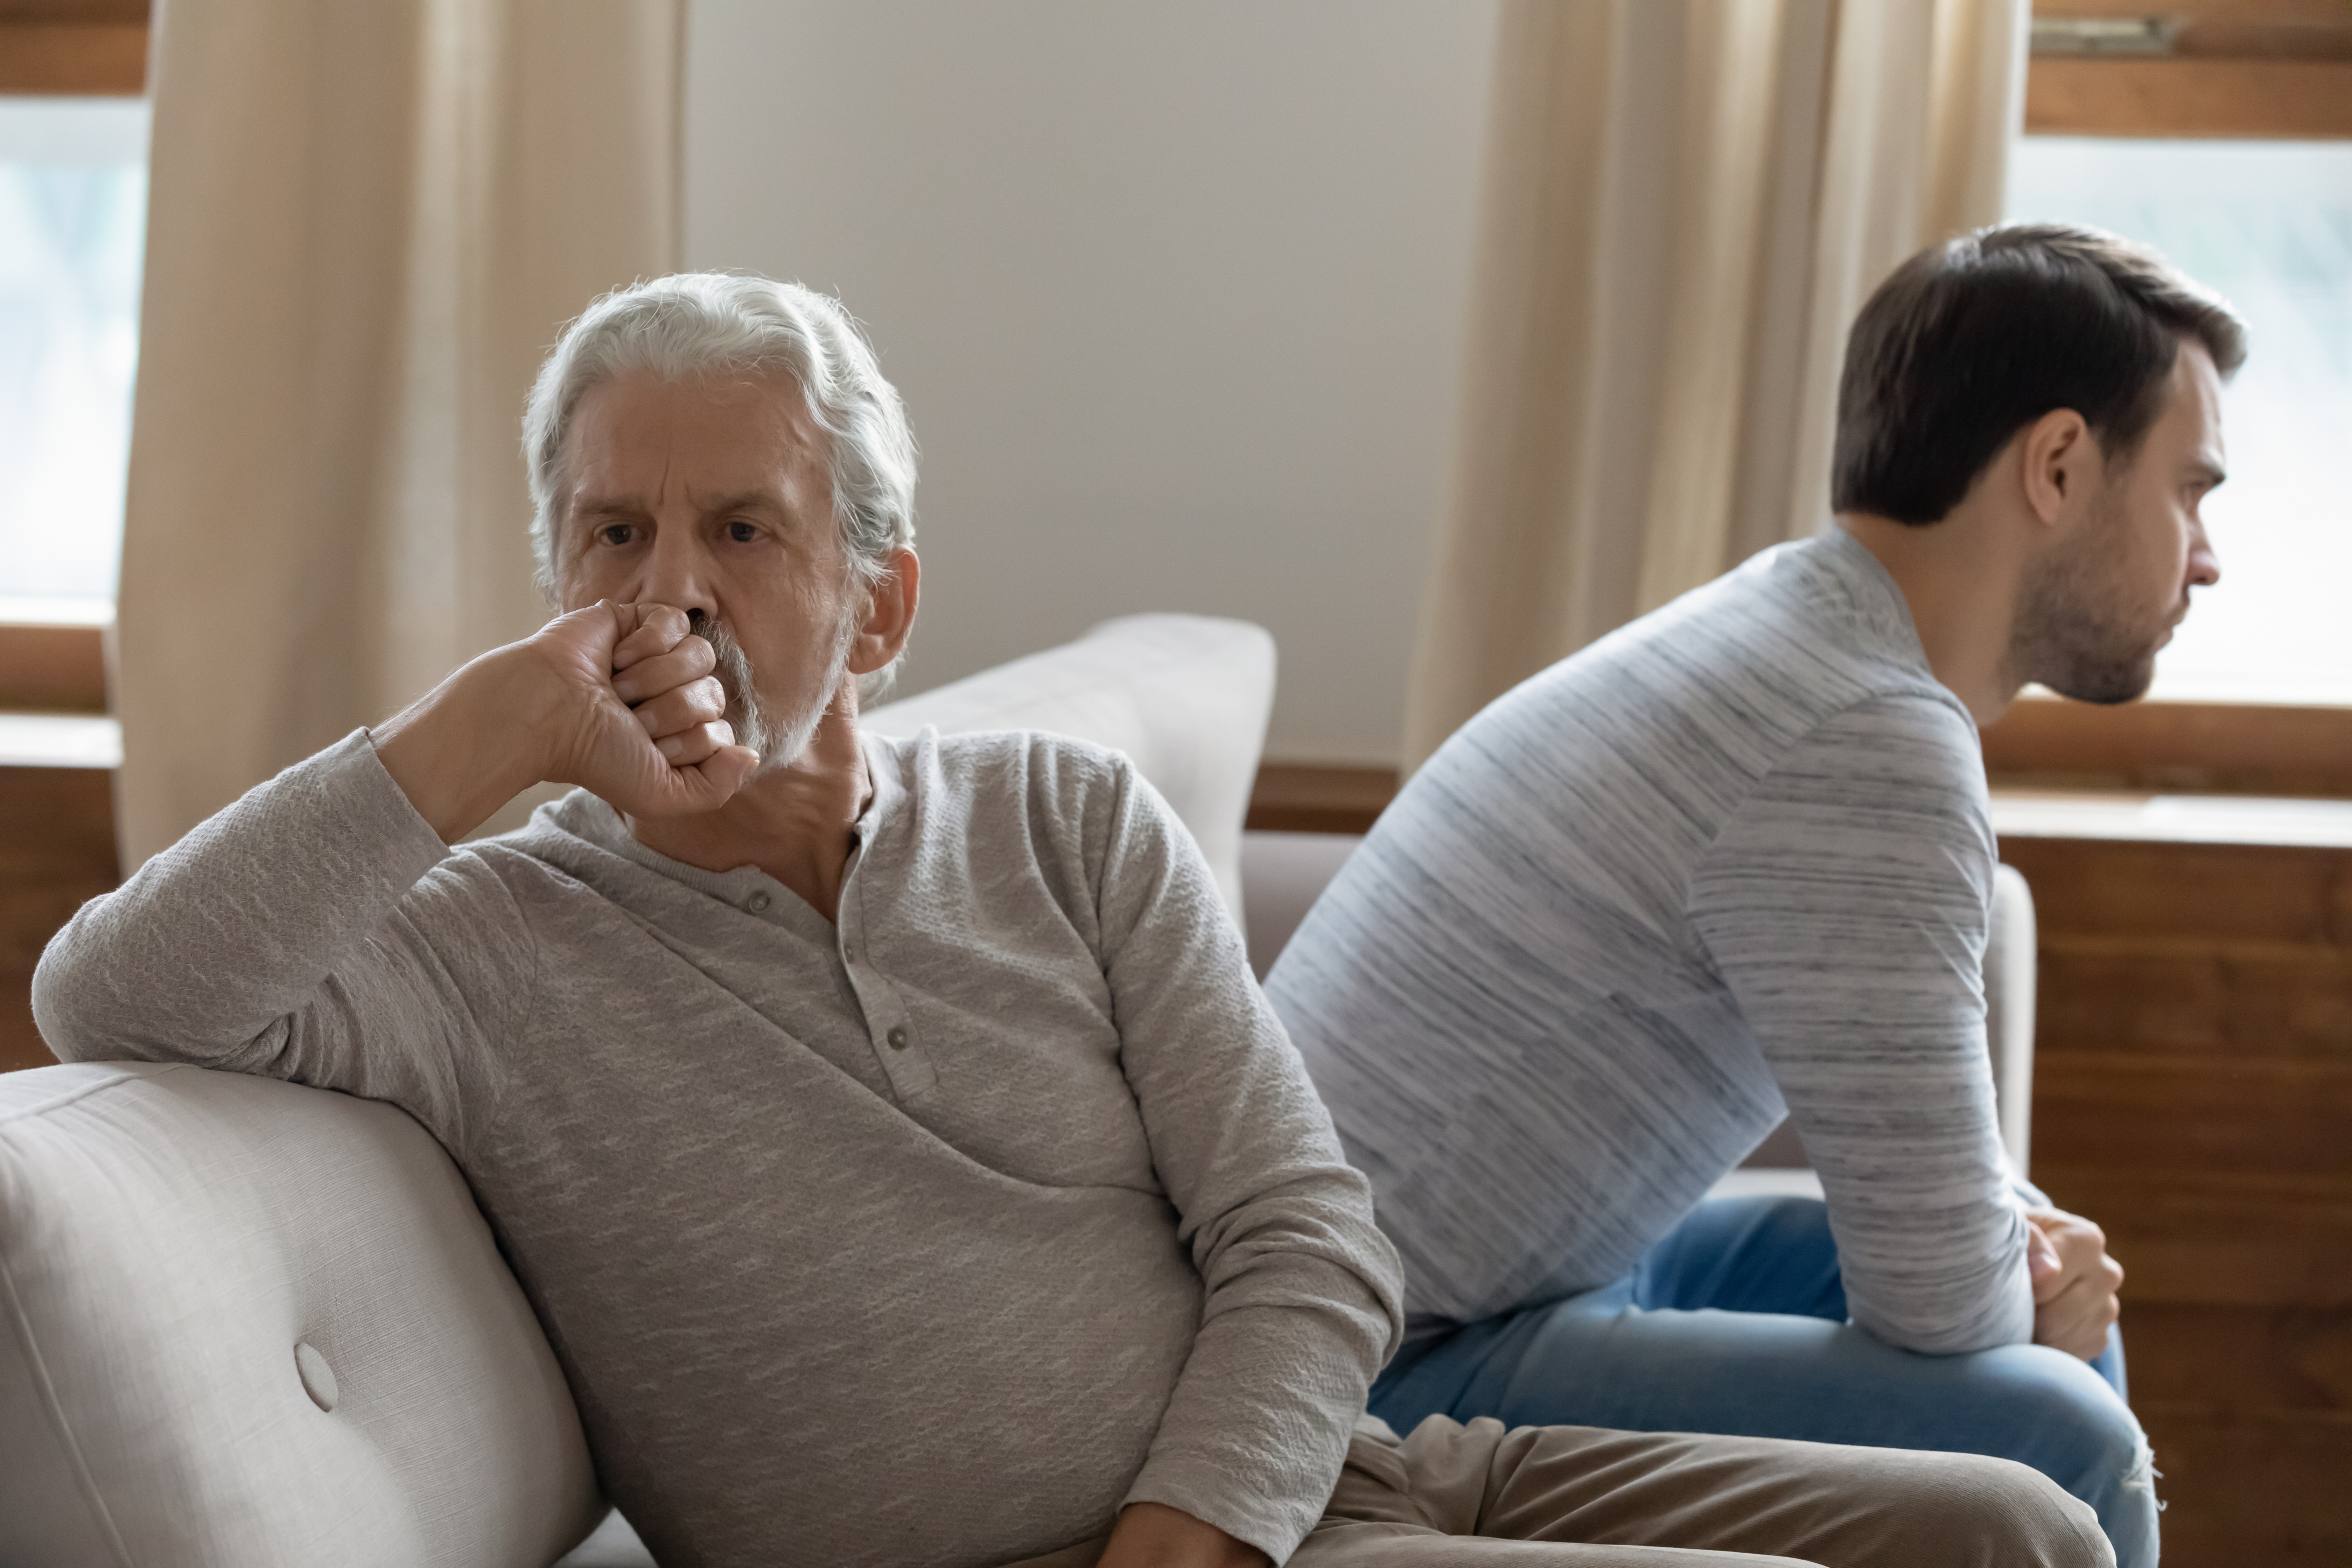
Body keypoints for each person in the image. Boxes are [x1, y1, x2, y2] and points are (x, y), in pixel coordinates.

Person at [37, 273, 2108, 1568]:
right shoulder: (482, 948)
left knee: (2017, 1522)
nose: (666, 592)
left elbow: (1309, 1238)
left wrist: (1197, 1531)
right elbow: (105, 990)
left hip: (1336, 1490)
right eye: (612, 532)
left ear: (882, 601)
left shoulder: (1056, 818)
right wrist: (487, 722)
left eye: (743, 529)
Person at [1265, 224, 2243, 1568]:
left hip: (1489, 1280)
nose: (2206, 557)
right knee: (2059, 1429)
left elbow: (1942, 1242)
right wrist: (2023, 1290)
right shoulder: (1860, 732)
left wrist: (2023, 1266)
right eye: (2191, 493)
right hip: (1364, 1366)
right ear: (2061, 464)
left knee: (2050, 1282)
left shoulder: (1786, 633)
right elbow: (1949, 1303)